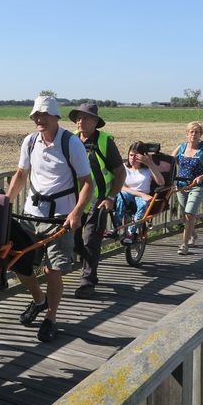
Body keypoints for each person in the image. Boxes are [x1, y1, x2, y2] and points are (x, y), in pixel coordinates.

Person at [6, 95, 93, 342]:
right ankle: (39, 299)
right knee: (16, 260)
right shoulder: (30, 141)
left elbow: (88, 183)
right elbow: (21, 174)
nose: (39, 119)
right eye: (36, 115)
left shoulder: (71, 143)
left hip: (60, 217)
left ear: (56, 117)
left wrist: (76, 213)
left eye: (44, 115)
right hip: (31, 215)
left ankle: (50, 318)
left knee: (53, 270)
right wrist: (6, 203)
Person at [69, 103, 125, 299]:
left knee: (91, 239)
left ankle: (88, 282)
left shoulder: (104, 141)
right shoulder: (72, 140)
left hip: (100, 199)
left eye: (85, 118)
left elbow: (120, 171)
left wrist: (111, 197)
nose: (80, 121)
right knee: (74, 241)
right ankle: (84, 264)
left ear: (95, 122)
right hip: (76, 200)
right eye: (78, 118)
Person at [171, 121, 203, 255]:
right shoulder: (181, 147)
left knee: (189, 214)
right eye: (191, 132)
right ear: (187, 133)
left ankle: (184, 244)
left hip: (198, 186)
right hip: (182, 186)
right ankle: (193, 234)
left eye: (197, 132)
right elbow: (169, 162)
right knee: (186, 214)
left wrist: (201, 177)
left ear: (200, 134)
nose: (194, 134)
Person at [112, 142, 165, 243]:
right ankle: (116, 228)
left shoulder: (148, 170)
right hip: (131, 194)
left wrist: (150, 163)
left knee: (143, 204)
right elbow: (121, 187)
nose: (132, 158)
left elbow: (161, 182)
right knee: (122, 197)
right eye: (131, 155)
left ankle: (131, 233)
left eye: (136, 156)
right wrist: (141, 194)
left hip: (142, 198)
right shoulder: (124, 168)